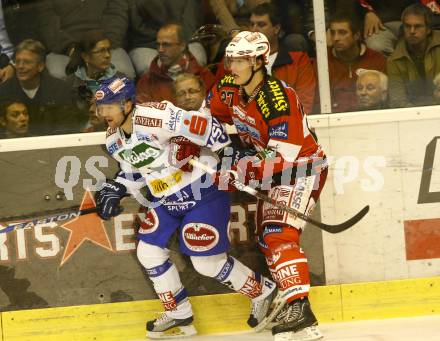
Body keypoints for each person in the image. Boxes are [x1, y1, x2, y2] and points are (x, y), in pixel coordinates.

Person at [94, 76, 281, 339]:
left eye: (109, 107)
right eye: (100, 108)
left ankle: (262, 290)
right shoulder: (114, 139)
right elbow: (137, 171)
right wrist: (117, 187)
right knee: (148, 251)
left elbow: (207, 126)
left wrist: (222, 155)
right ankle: (179, 313)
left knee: (206, 264)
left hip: (203, 190)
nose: (103, 113)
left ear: (127, 103)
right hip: (166, 199)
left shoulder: (156, 116)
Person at [206, 31, 328, 341]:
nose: (232, 65)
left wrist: (241, 166)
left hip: (300, 170)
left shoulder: (277, 96)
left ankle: (298, 309)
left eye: (241, 60)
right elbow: (211, 119)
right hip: (267, 171)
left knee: (278, 234)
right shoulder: (227, 87)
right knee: (268, 238)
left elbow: (282, 156)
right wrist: (227, 150)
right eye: (231, 58)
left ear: (259, 62)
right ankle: (301, 314)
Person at [38, 0, 135, 79]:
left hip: (104, 43)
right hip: (65, 48)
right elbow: (48, 26)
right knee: (58, 76)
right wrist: (71, 49)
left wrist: (100, 45)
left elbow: (117, 17)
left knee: (123, 73)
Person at [0, 39, 79, 135]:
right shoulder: (3, 92)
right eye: (17, 61)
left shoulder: (61, 90)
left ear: (40, 66)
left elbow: (68, 127)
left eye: (27, 62)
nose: (20, 66)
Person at [136, 22, 216, 104]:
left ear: (182, 46)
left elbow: (214, 109)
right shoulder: (146, 82)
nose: (160, 50)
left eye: (166, 45)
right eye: (158, 45)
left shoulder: (204, 76)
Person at [327, 10, 387, 112]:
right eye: (333, 33)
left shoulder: (376, 60)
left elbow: (385, 100)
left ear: (356, 35)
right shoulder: (324, 62)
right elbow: (319, 103)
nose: (336, 38)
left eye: (342, 33)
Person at [128, 0, 207, 76]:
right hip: (146, 43)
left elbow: (192, 20)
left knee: (196, 61)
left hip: (185, 38)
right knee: (150, 68)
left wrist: (174, 38)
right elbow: (137, 27)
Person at [387, 3, 440, 108]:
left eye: (418, 26)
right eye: (407, 26)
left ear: (428, 29)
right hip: (412, 115)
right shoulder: (394, 60)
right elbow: (398, 101)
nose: (412, 31)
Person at [65, 30, 126, 114]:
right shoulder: (70, 84)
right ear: (85, 56)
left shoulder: (121, 81)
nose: (107, 55)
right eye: (101, 51)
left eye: (108, 50)